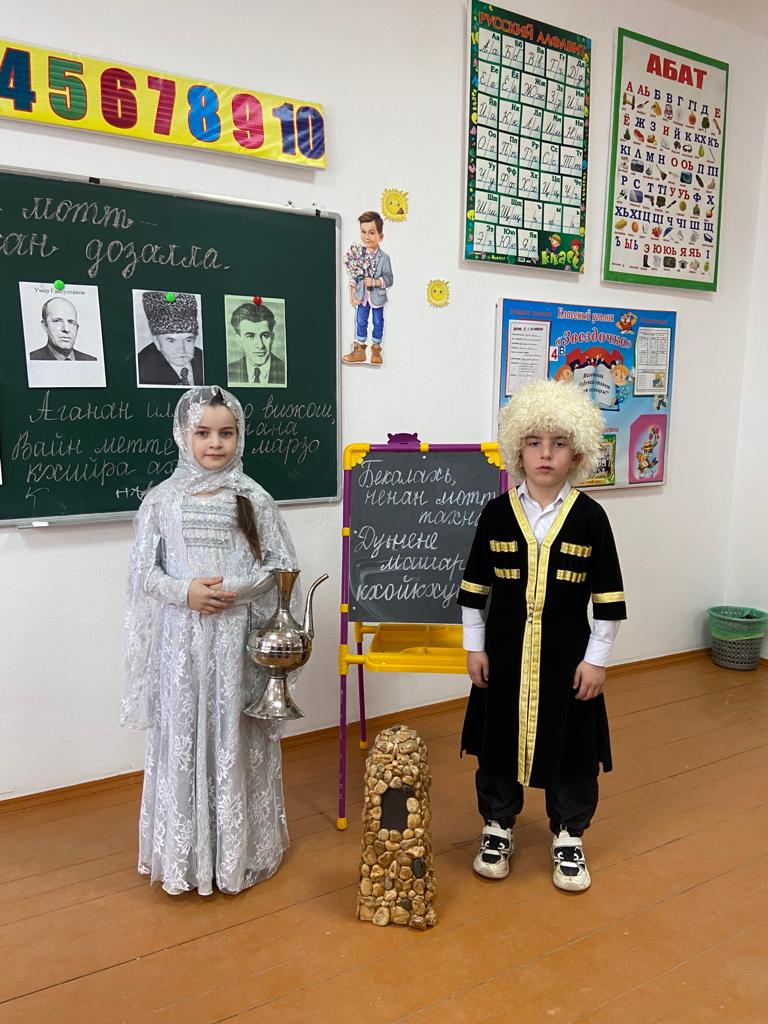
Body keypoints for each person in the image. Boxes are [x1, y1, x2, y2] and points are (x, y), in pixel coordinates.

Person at [121, 385, 300, 895]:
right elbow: (144, 573)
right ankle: (187, 858)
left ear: (240, 437)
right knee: (186, 736)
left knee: (232, 734)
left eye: (226, 433)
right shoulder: (161, 501)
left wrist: (232, 592)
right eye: (203, 432)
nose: (215, 443)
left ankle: (237, 854)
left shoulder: (254, 498)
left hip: (235, 644)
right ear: (184, 436)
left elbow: (279, 566)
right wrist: (185, 592)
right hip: (182, 645)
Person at [458, 379, 626, 892]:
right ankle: (497, 824)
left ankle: (569, 835)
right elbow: (474, 590)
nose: (545, 454)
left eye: (558, 443)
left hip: (567, 662)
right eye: (534, 443)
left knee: (573, 748)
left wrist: (596, 660)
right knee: (498, 740)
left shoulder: (591, 519)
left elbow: (608, 601)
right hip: (504, 658)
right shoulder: (495, 514)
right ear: (518, 450)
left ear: (578, 452)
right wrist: (474, 647)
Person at [342, 211, 394, 367]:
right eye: (363, 232)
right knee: (360, 320)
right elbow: (354, 276)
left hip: (377, 297)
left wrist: (376, 282)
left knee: (378, 322)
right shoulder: (359, 254)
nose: (366, 237)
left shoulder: (384, 258)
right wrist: (352, 294)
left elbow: (389, 279)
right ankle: (360, 349)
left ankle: (376, 349)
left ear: (380, 236)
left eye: (371, 233)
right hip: (362, 296)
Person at [137, 291, 204, 386]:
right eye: (172, 341)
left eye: (188, 340)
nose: (181, 350)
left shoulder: (204, 359)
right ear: (156, 341)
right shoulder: (141, 367)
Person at [227, 302, 286, 385]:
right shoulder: (229, 371)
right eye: (250, 336)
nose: (260, 345)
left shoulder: (285, 370)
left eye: (265, 336)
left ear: (272, 337)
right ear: (239, 340)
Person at [29, 296, 96, 361]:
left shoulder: (91, 360)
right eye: (57, 321)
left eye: (71, 322)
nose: (66, 329)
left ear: (77, 328)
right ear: (45, 326)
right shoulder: (31, 359)